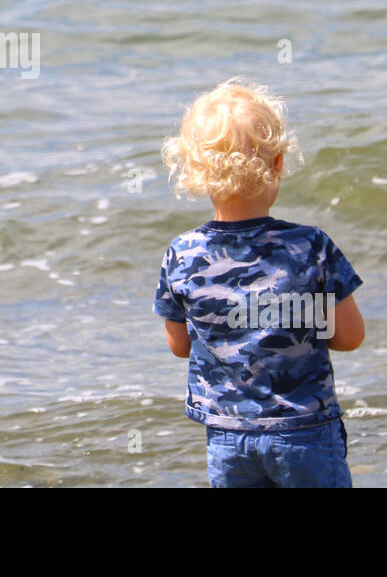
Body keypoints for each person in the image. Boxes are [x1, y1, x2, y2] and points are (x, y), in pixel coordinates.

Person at [153, 77, 364, 487]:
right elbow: (350, 337)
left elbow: (180, 346)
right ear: (279, 163)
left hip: (228, 437)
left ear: (194, 169)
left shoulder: (182, 253)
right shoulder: (310, 245)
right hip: (305, 431)